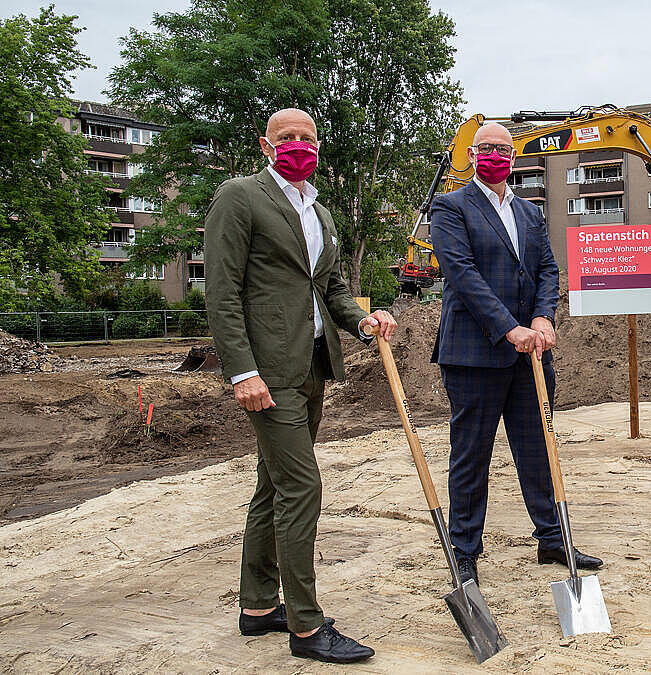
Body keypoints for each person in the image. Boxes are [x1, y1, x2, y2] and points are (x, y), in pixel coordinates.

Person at [206, 108, 396, 664]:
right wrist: (241, 371)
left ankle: (259, 606)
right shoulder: (240, 196)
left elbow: (330, 288)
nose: (297, 145)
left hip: (311, 366)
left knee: (274, 485)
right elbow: (221, 292)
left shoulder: (320, 210)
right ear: (266, 145)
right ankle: (308, 628)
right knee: (301, 488)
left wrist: (362, 321)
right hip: (266, 372)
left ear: (318, 146)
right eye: (286, 137)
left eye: (306, 138)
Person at [430, 122, 603, 586]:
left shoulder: (529, 212)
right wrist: (509, 329)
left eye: (503, 149)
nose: (495, 155)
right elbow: (462, 275)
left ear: (514, 157)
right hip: (475, 354)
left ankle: (553, 539)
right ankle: (464, 552)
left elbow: (548, 268)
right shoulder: (450, 208)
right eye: (486, 148)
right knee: (471, 455)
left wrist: (545, 318)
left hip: (531, 355)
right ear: (470, 154)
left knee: (538, 449)